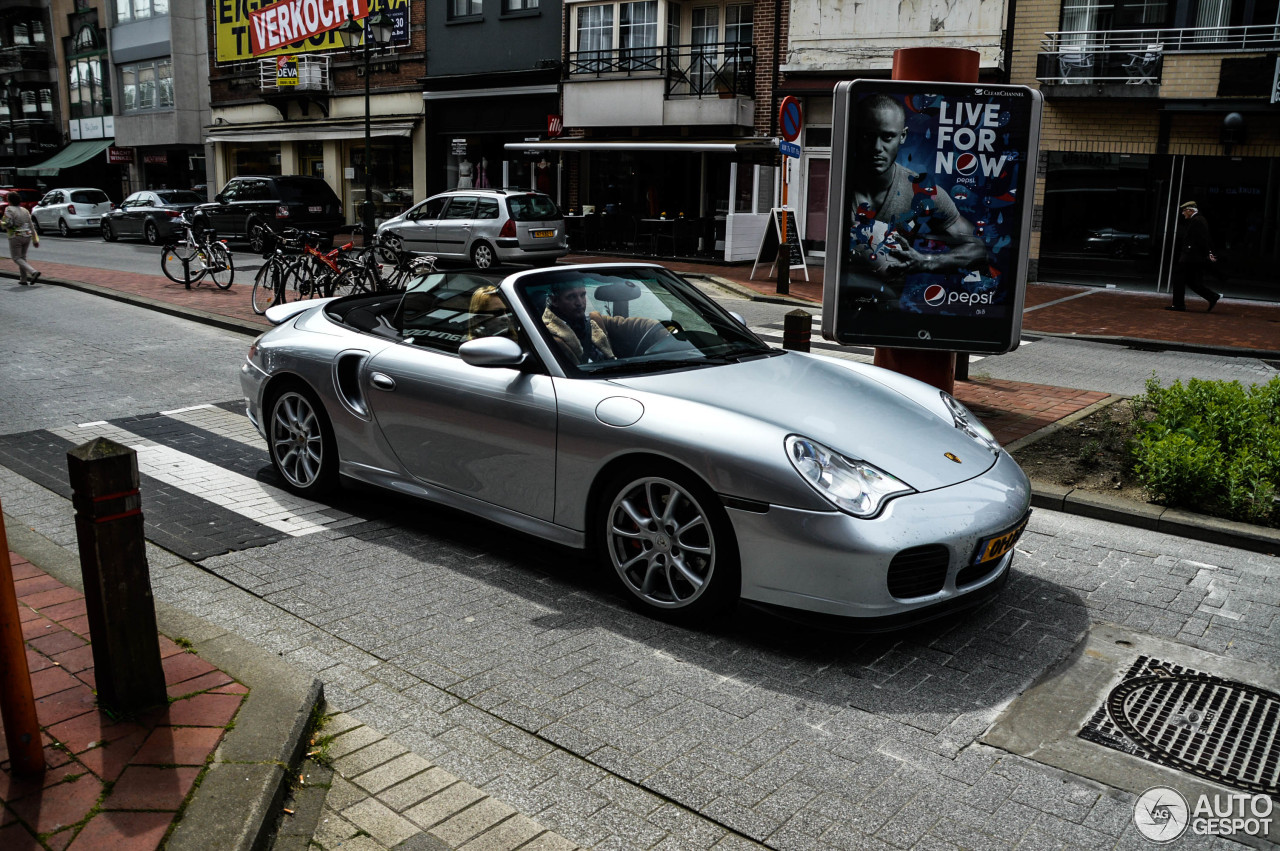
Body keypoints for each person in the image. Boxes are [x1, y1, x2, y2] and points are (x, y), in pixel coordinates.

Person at [846, 94, 986, 305]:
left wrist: (926, 261)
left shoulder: (921, 191)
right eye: (868, 136)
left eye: (887, 137)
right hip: (841, 307)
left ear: (902, 136)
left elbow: (976, 247)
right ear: (857, 135)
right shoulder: (839, 186)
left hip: (888, 311)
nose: (877, 148)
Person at [541, 280, 662, 364]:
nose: (580, 302)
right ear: (555, 300)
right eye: (571, 297)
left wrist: (665, 330)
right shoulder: (545, 335)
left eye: (582, 295)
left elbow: (631, 325)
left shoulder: (594, 321)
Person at [1167, 201, 1221, 312]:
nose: (1183, 213)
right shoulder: (1198, 220)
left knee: (1179, 279)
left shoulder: (1197, 221)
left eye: (1184, 211)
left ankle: (1178, 305)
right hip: (1194, 256)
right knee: (1192, 281)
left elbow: (1202, 239)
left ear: (1190, 210)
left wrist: (1208, 253)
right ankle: (1212, 296)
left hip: (1190, 256)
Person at [3, 191, 40, 285]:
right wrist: (35, 239)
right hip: (27, 235)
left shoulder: (9, 209)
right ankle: (23, 279)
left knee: (16, 257)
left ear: (9, 200)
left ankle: (33, 272)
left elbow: (8, 223)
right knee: (22, 258)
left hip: (15, 236)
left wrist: (1, 223)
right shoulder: (24, 210)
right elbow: (31, 225)